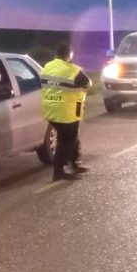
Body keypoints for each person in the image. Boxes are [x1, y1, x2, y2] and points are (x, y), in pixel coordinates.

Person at [40, 42, 91, 181]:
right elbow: (88, 84)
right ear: (69, 54)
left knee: (72, 137)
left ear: (56, 54)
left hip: (51, 108)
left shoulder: (47, 67)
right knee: (65, 142)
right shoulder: (73, 70)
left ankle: (75, 164)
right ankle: (58, 172)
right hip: (67, 110)